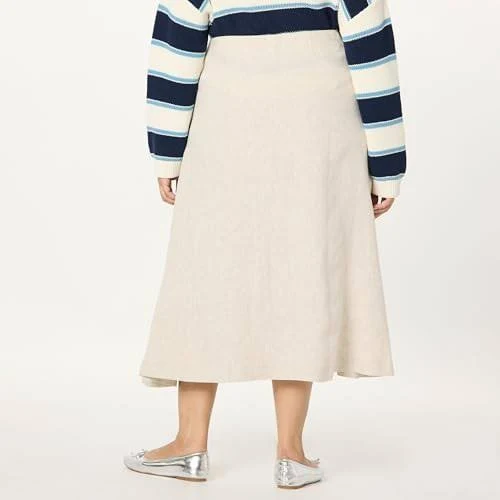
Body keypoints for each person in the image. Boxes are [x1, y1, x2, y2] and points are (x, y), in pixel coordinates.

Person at [124, 0, 406, 489]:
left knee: (205, 272)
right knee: (302, 266)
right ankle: (291, 455)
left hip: (230, 112)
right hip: (317, 116)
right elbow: (371, 46)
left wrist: (167, 154)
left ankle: (189, 444)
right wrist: (387, 164)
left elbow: (177, 47)